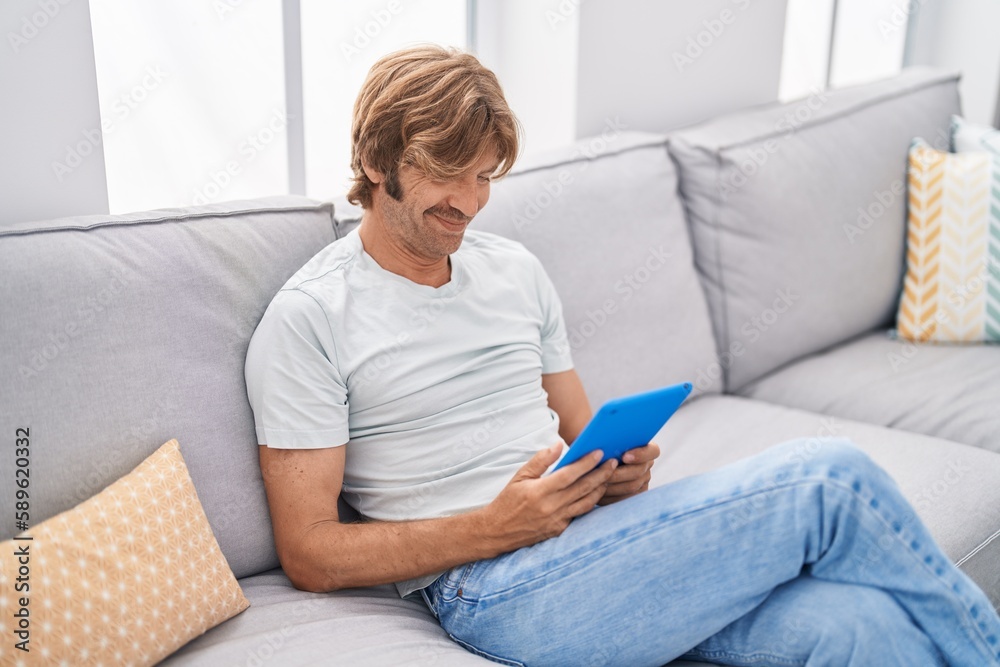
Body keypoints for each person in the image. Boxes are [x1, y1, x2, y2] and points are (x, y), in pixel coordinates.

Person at [244, 44, 1000, 666]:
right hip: (488, 587)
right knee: (833, 477)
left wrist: (620, 470)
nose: (469, 202)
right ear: (378, 163)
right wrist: (494, 525)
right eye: (447, 172)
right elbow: (310, 552)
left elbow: (584, 431)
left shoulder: (513, 270)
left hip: (591, 547)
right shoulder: (312, 318)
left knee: (858, 628)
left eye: (483, 176)